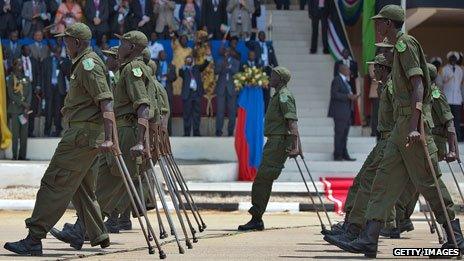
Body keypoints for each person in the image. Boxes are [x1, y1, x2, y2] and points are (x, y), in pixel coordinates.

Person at [333, 5, 463, 257]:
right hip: (400, 128)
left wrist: (415, 126)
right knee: (383, 179)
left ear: (390, 24)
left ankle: (455, 234)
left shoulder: (405, 45)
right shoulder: (398, 48)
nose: (377, 27)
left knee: (428, 182)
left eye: (380, 23)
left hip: (411, 126)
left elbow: (418, 86)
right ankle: (369, 239)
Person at [4, 22, 113, 256]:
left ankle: (34, 238)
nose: (63, 44)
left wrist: (110, 138)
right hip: (86, 134)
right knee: (80, 186)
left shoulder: (88, 64)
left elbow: (105, 101)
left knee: (54, 182)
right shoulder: (84, 63)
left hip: (81, 136)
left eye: (66, 40)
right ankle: (98, 233)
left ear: (77, 42)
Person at [238, 66, 301, 231]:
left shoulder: (284, 96)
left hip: (279, 142)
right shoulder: (278, 95)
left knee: (262, 179)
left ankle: (257, 217)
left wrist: (296, 146)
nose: (269, 76)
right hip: (275, 141)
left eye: (273, 74)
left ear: (279, 79)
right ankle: (257, 216)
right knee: (263, 179)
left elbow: (292, 122)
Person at [328, 64, 357, 161]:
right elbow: (334, 94)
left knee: (345, 135)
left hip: (347, 112)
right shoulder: (337, 80)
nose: (349, 70)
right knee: (339, 134)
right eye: (348, 69)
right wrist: (348, 96)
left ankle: (344, 154)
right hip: (339, 112)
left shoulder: (346, 81)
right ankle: (337, 155)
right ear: (342, 70)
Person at [7, 58, 32, 161]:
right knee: (15, 134)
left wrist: (27, 105)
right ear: (14, 66)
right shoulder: (11, 79)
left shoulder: (26, 78)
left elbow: (30, 93)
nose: (20, 66)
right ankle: (14, 156)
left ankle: (22, 156)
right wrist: (23, 103)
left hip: (24, 111)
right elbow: (11, 94)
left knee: (24, 134)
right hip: (15, 110)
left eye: (21, 64)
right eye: (18, 64)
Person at [246, 31, 278, 110]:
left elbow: (273, 59)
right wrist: (250, 35)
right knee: (258, 91)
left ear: (265, 37)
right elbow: (247, 44)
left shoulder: (269, 46)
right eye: (260, 35)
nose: (262, 37)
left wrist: (277, 69)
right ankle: (258, 110)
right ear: (258, 37)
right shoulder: (255, 44)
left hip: (267, 70)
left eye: (263, 35)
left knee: (267, 93)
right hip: (258, 71)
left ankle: (266, 112)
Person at [179, 55, 209, 136]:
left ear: (192, 60)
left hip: (196, 94)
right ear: (185, 61)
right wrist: (184, 67)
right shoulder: (183, 69)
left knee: (197, 114)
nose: (189, 61)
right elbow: (180, 73)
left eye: (190, 59)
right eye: (187, 59)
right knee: (187, 115)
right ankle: (187, 133)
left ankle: (196, 132)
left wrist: (208, 57)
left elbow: (204, 65)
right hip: (187, 94)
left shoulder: (197, 68)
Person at [215, 47, 240, 137]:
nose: (227, 53)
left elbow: (236, 72)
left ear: (231, 53)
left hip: (232, 90)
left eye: (229, 51)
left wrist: (229, 66)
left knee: (232, 112)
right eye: (225, 51)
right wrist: (222, 65)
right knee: (220, 111)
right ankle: (218, 131)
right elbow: (216, 71)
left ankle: (230, 131)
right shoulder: (219, 61)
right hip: (221, 89)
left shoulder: (236, 62)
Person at [441, 51, 463, 141]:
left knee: (457, 119)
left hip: (457, 99)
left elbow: (459, 82)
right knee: (447, 119)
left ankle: (457, 137)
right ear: (449, 59)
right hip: (448, 98)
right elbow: (441, 82)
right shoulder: (444, 69)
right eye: (451, 58)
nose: (453, 60)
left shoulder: (459, 69)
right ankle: (446, 137)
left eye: (455, 58)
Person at [43, 45, 65, 137]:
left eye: (59, 52)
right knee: (48, 111)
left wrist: (60, 62)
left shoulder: (63, 61)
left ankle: (57, 130)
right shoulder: (47, 60)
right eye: (56, 51)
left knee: (57, 111)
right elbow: (42, 75)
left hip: (59, 89)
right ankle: (47, 131)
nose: (58, 53)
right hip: (49, 88)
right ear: (53, 51)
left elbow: (67, 72)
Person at [156, 50, 176, 134]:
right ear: (159, 56)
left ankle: (169, 132)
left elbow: (174, 77)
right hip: (157, 91)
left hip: (168, 91)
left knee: (168, 112)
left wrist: (167, 76)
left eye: (164, 54)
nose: (163, 56)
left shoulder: (171, 66)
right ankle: (158, 132)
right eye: (162, 54)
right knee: (157, 112)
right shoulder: (155, 66)